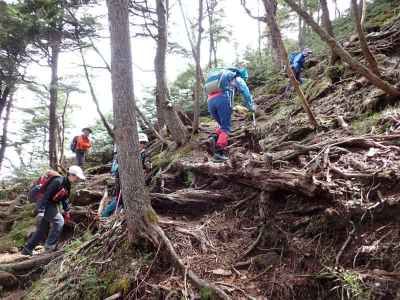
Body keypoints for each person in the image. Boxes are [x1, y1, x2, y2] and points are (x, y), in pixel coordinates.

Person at [21, 166, 85, 256]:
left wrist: (67, 211)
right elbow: (45, 196)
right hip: (44, 203)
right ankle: (49, 247)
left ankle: (27, 250)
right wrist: (41, 211)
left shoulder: (67, 185)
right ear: (71, 175)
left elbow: (64, 199)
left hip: (51, 204)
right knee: (59, 221)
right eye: (77, 177)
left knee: (42, 229)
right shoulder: (58, 181)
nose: (77, 179)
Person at [205, 67, 255, 162]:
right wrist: (251, 107)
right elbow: (245, 92)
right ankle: (219, 153)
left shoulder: (220, 75)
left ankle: (213, 138)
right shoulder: (236, 77)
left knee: (222, 125)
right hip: (222, 99)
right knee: (226, 128)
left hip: (210, 101)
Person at [101, 133, 151, 217]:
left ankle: (122, 214)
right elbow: (118, 163)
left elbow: (148, 167)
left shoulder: (145, 154)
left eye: (143, 142)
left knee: (129, 198)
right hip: (122, 178)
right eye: (140, 142)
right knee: (119, 199)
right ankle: (104, 215)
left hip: (135, 180)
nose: (141, 144)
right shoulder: (128, 152)